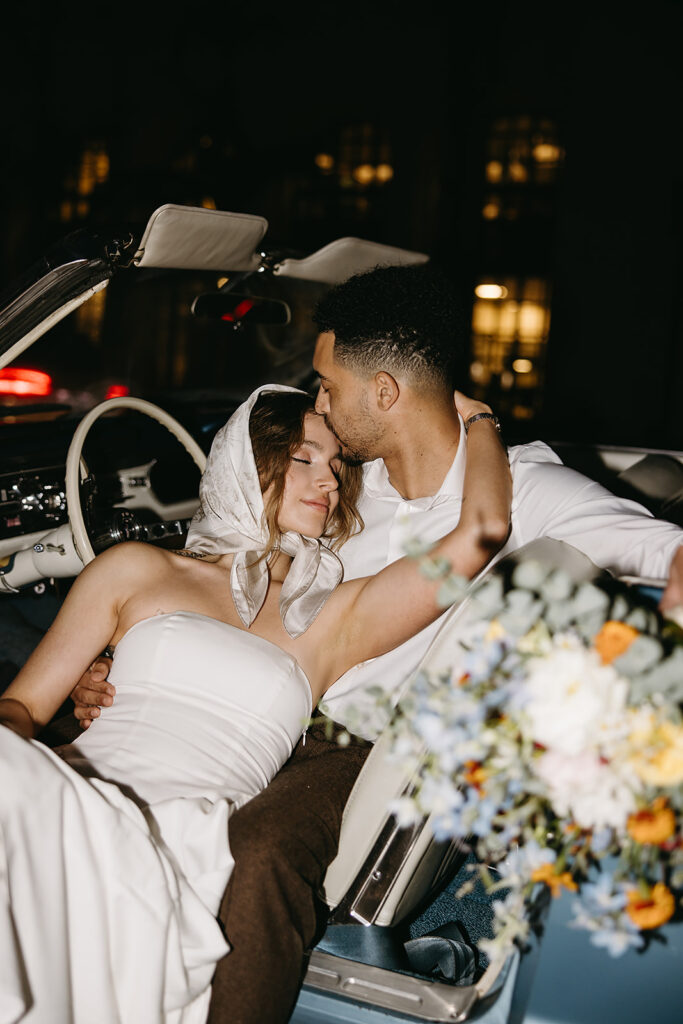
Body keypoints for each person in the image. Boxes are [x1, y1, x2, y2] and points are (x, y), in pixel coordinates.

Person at [72, 265, 683, 1024]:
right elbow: (248, 598)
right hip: (264, 710)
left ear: (383, 393)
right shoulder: (344, 491)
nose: (319, 402)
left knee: (256, 854)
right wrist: (120, 658)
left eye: (328, 386)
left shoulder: (527, 489)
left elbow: (665, 552)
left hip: (358, 748)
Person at [0, 382, 511, 1024]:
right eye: (303, 458)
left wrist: (479, 417)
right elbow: (20, 709)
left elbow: (481, 533)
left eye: (336, 466)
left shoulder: (334, 616)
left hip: (189, 834)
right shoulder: (133, 567)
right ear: (246, 462)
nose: (327, 480)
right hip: (68, 792)